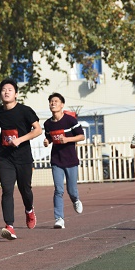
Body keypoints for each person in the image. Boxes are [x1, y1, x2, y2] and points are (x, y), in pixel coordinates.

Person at [0, 78, 42, 240]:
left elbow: (38, 130)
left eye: (9, 90)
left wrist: (20, 140)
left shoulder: (25, 111)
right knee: (7, 190)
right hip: (5, 158)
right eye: (3, 90)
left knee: (25, 189)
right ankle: (9, 226)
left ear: (16, 94)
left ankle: (29, 210)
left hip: (23, 157)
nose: (6, 92)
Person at [43, 93, 85, 229]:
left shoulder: (70, 120)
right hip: (56, 160)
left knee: (71, 190)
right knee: (58, 190)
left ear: (62, 105)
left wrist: (67, 139)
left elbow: (81, 136)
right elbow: (50, 137)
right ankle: (59, 219)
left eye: (56, 101)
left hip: (71, 160)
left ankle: (75, 200)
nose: (53, 103)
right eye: (51, 101)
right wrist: (47, 141)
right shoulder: (48, 124)